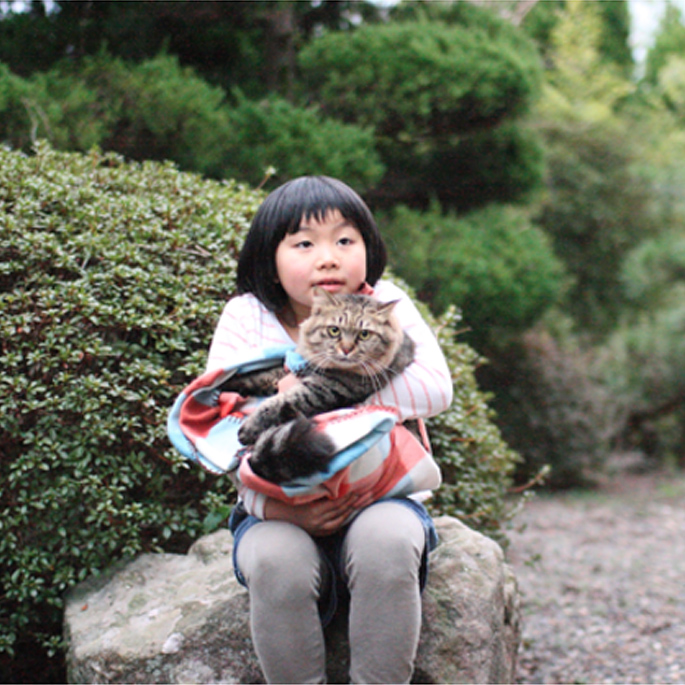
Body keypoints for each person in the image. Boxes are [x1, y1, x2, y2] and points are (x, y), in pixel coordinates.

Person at [206, 175, 453, 684]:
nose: (328, 257)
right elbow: (221, 426)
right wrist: (270, 506)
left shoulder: (385, 302)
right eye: (303, 243)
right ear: (268, 258)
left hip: (377, 497)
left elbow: (434, 388)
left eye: (345, 240)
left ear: (368, 248)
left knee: (388, 544)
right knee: (276, 561)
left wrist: (309, 401)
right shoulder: (247, 316)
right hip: (277, 506)